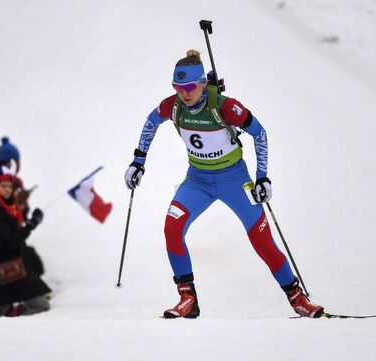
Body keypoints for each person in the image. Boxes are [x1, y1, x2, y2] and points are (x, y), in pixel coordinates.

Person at [124, 50, 324, 319]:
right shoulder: (172, 106)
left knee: (262, 242)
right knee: (172, 228)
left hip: (235, 180)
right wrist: (138, 161)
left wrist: (262, 176)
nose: (184, 93)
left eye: (190, 87)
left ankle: (298, 299)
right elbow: (150, 123)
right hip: (198, 181)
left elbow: (259, 133)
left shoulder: (225, 106)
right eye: (177, 87)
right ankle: (188, 298)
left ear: (202, 83)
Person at [0, 157, 50, 316]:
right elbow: (9, 242)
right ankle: (13, 319)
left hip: (13, 267)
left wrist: (29, 222)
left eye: (10, 186)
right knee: (40, 306)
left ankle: (12, 317)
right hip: (6, 268)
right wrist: (30, 226)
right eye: (3, 186)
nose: (7, 189)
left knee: (0, 311)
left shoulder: (7, 207)